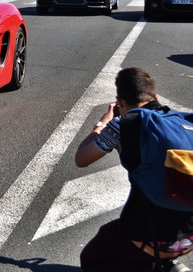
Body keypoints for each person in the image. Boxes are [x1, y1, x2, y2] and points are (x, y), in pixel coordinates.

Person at [75, 67, 193, 272]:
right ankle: (167, 265)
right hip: (190, 237)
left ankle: (158, 263)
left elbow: (82, 159)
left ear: (120, 102)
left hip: (148, 239)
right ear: (155, 96)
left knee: (92, 257)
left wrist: (103, 122)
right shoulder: (186, 122)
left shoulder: (124, 124)